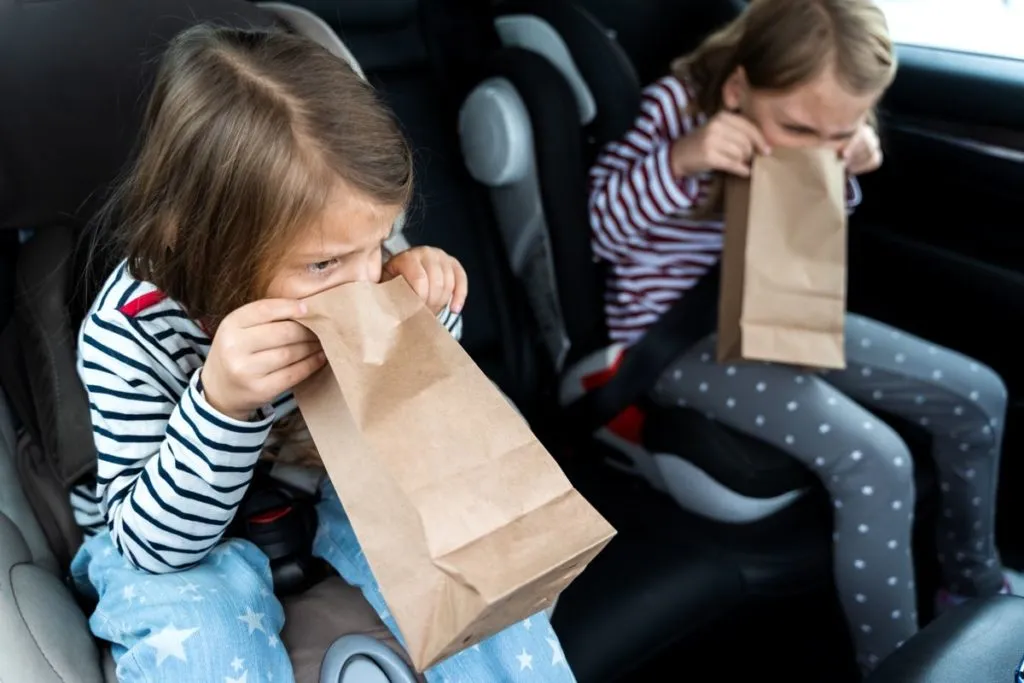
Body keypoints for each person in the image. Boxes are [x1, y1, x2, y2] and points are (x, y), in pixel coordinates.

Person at [70, 24, 574, 683]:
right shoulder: (130, 332)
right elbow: (151, 546)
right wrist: (220, 404)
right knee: (200, 650)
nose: (367, 278)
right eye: (327, 262)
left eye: (382, 239)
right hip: (182, 528)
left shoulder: (362, 269)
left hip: (341, 480)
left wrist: (427, 313)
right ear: (202, 242)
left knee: (489, 583)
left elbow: (421, 438)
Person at [588, 0, 1016, 674]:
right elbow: (597, 229)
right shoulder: (674, 107)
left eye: (839, 130)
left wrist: (843, 165)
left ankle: (971, 581)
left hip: (780, 307)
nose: (813, 145)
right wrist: (680, 160)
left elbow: (813, 225)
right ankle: (898, 663)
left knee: (978, 394)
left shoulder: (819, 132)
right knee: (876, 460)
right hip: (677, 337)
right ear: (737, 91)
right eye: (797, 127)